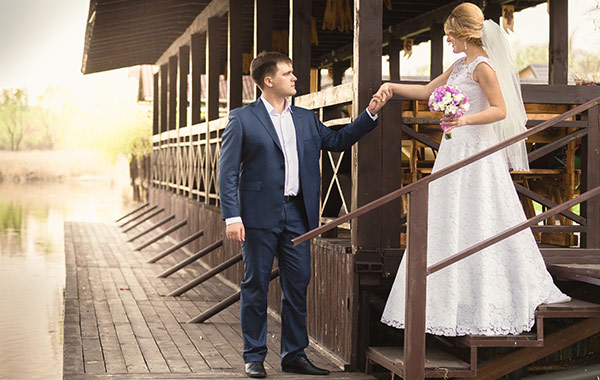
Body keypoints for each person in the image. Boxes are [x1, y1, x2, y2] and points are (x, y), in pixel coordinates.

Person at [375, 3, 570, 337]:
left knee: (481, 214)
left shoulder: (483, 67)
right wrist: (390, 88)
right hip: (454, 149)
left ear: (464, 34)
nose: (448, 42)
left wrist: (463, 118)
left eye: (450, 36)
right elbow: (425, 91)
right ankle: (450, 296)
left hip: (476, 151)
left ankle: (488, 295)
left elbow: (499, 110)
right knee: (449, 217)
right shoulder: (458, 65)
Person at [218, 51, 387, 378]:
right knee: (255, 285)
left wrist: (370, 114)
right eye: (288, 73)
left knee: (298, 285)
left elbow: (338, 141)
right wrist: (232, 217)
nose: (295, 78)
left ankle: (294, 354)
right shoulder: (242, 118)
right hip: (257, 216)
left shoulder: (306, 119)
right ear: (268, 81)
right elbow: (226, 173)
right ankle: (254, 356)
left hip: (298, 214)